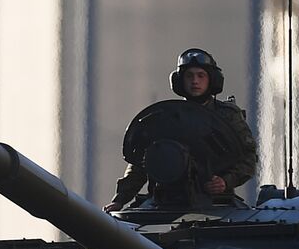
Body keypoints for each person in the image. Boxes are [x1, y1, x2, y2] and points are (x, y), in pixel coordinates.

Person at [104, 48, 258, 212]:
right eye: (189, 76)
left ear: (212, 80)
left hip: (215, 202)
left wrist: (225, 181)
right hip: (164, 203)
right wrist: (120, 200)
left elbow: (248, 159)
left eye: (201, 75)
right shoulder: (167, 118)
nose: (195, 81)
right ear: (179, 81)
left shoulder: (228, 117)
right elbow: (141, 163)